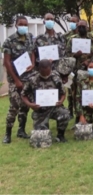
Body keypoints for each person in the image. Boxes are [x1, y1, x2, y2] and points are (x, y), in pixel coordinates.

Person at [2, 16, 35, 144]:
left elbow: (32, 52)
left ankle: (21, 130)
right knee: (14, 106)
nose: (23, 27)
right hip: (15, 79)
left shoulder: (30, 38)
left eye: (25, 25)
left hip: (28, 78)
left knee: (25, 106)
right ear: (16, 25)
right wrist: (16, 81)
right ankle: (8, 134)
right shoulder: (9, 41)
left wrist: (32, 63)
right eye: (21, 24)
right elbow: (7, 62)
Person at [21, 59, 70, 142]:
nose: (47, 75)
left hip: (54, 108)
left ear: (51, 68)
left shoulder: (56, 76)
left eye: (48, 72)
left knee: (65, 114)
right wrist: (30, 104)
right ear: (39, 70)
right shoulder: (32, 79)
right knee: (42, 138)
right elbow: (23, 94)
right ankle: (43, 129)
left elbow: (63, 93)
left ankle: (60, 135)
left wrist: (61, 101)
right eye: (44, 73)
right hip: (40, 110)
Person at [65, 20, 93, 123]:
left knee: (91, 92)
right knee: (76, 94)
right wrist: (74, 55)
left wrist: (91, 61)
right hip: (76, 72)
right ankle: (78, 117)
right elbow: (66, 56)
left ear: (87, 27)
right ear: (77, 27)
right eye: (80, 26)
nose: (82, 28)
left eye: (84, 26)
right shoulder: (72, 40)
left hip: (90, 71)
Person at [63, 14, 79, 118]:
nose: (72, 23)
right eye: (71, 21)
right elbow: (65, 52)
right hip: (70, 68)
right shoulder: (66, 36)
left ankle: (78, 111)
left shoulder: (83, 35)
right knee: (70, 90)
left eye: (74, 21)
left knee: (78, 91)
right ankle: (70, 112)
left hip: (80, 67)